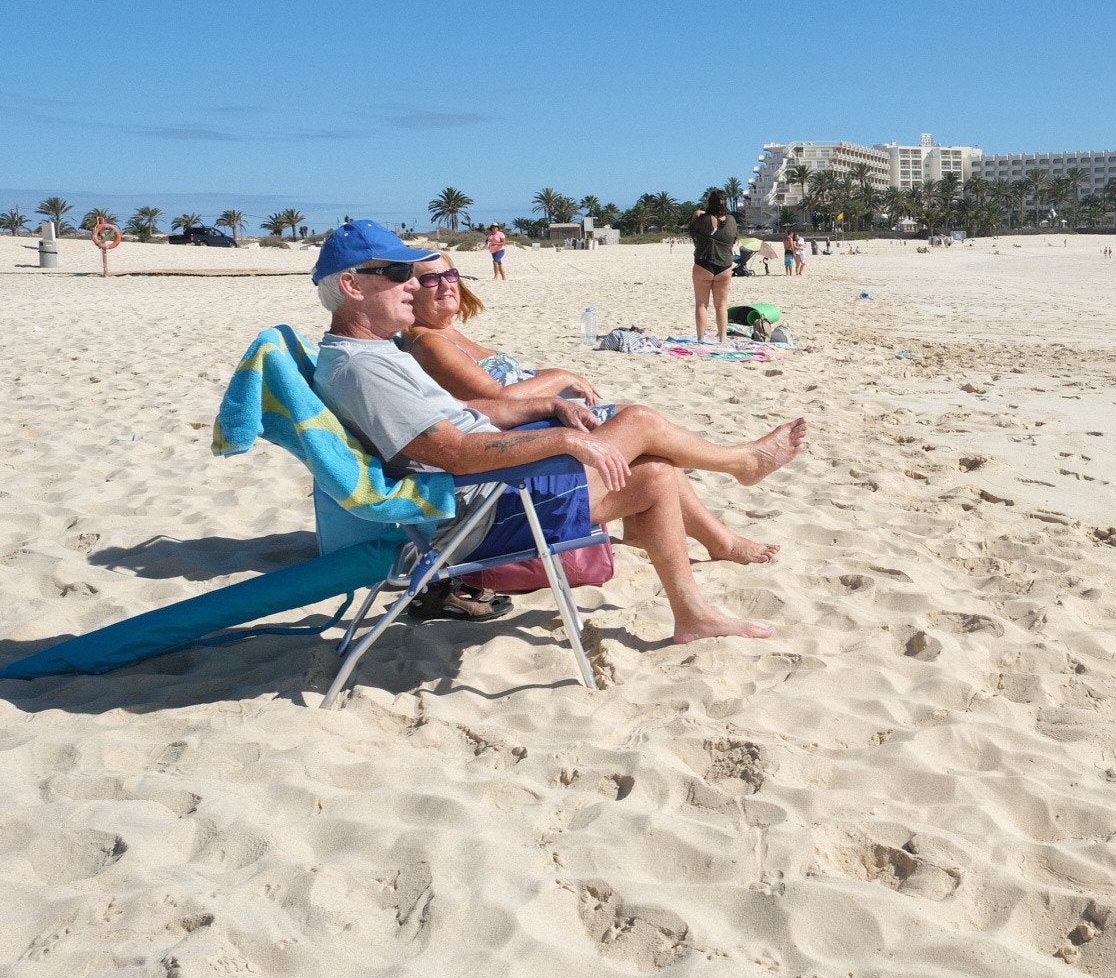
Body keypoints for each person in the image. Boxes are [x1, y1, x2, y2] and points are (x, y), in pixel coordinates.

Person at [311, 220, 806, 645]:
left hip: (487, 490)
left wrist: (549, 405)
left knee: (653, 471)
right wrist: (563, 440)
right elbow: (456, 452)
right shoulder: (364, 368)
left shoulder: (372, 354)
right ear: (353, 287)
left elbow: (458, 413)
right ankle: (739, 466)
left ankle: (692, 616)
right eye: (398, 274)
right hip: (479, 510)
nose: (412, 286)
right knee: (639, 427)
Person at [399, 252, 779, 566]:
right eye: (431, 279)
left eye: (450, 273)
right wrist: (561, 376)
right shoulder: (429, 344)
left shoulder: (446, 333)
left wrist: (555, 382)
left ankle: (710, 539)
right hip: (517, 453)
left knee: (652, 456)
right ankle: (738, 464)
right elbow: (501, 398)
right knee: (640, 421)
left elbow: (507, 388)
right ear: (410, 290)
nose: (447, 284)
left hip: (533, 434)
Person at [688, 189, 736, 342]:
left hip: (703, 265)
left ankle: (701, 339)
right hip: (725, 266)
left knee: (701, 304)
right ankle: (722, 338)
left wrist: (698, 213)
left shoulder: (702, 220)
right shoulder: (732, 221)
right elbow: (734, 239)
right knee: (721, 305)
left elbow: (692, 228)